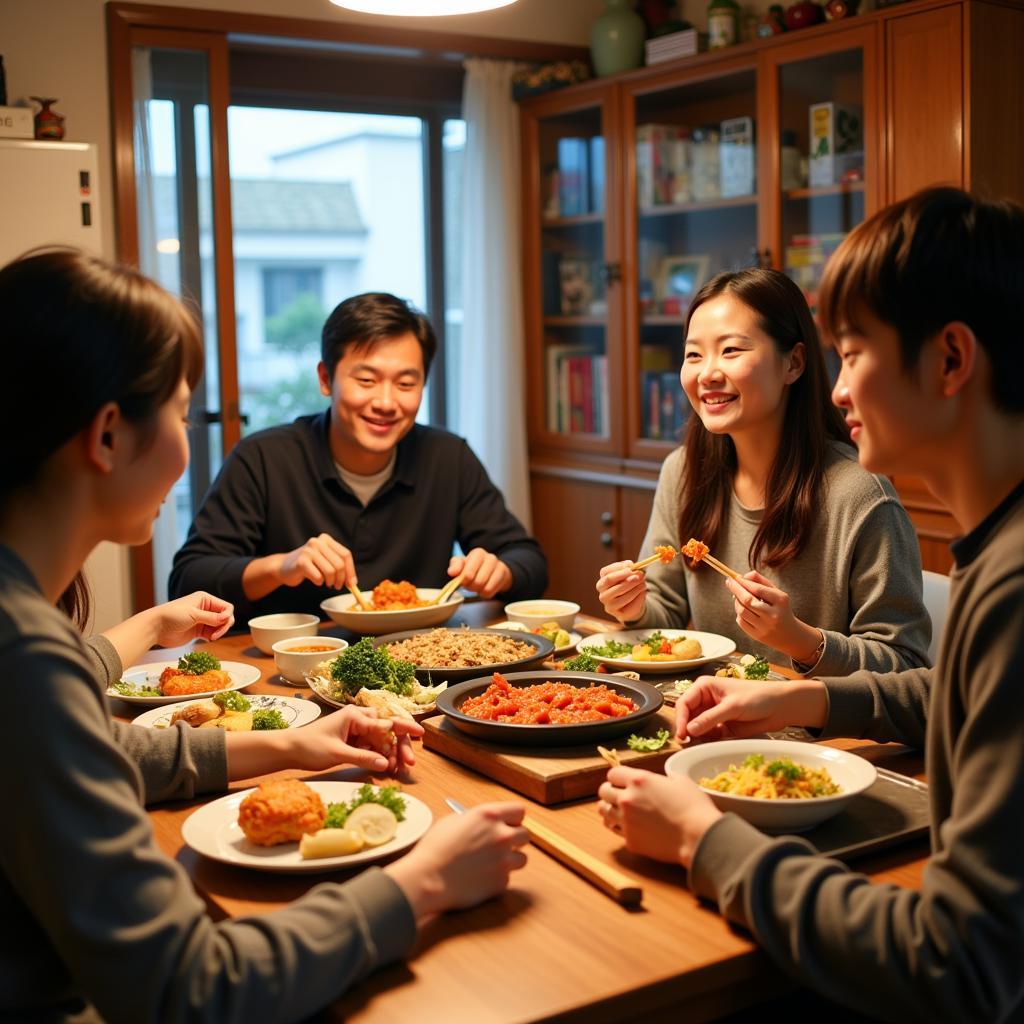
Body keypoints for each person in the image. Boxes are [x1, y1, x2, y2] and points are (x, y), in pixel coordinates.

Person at [0, 249, 529, 1022]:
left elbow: (99, 750)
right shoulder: (26, 660)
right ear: (109, 435)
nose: (187, 443)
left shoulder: (29, 641)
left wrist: (292, 743)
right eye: (181, 412)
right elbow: (192, 988)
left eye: (406, 380)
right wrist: (421, 884)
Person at [598, 187, 1024, 1021]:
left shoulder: (988, 568)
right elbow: (945, 691)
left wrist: (702, 838)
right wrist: (801, 695)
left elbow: (962, 966)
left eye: (855, 352)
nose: (838, 388)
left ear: (949, 360)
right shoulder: (995, 550)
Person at [595, 267, 929, 676]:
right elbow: (664, 613)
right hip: (713, 714)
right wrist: (634, 607)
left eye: (732, 350)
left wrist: (799, 640)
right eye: (694, 355)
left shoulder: (861, 495)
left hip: (821, 736)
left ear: (794, 363)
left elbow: (906, 668)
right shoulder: (682, 472)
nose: (708, 373)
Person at [168, 291, 548, 620]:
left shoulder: (447, 457)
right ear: (324, 378)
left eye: (405, 383)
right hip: (292, 674)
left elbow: (529, 560)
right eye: (366, 380)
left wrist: (501, 571)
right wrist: (281, 566)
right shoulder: (264, 458)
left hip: (420, 665)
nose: (385, 402)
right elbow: (188, 580)